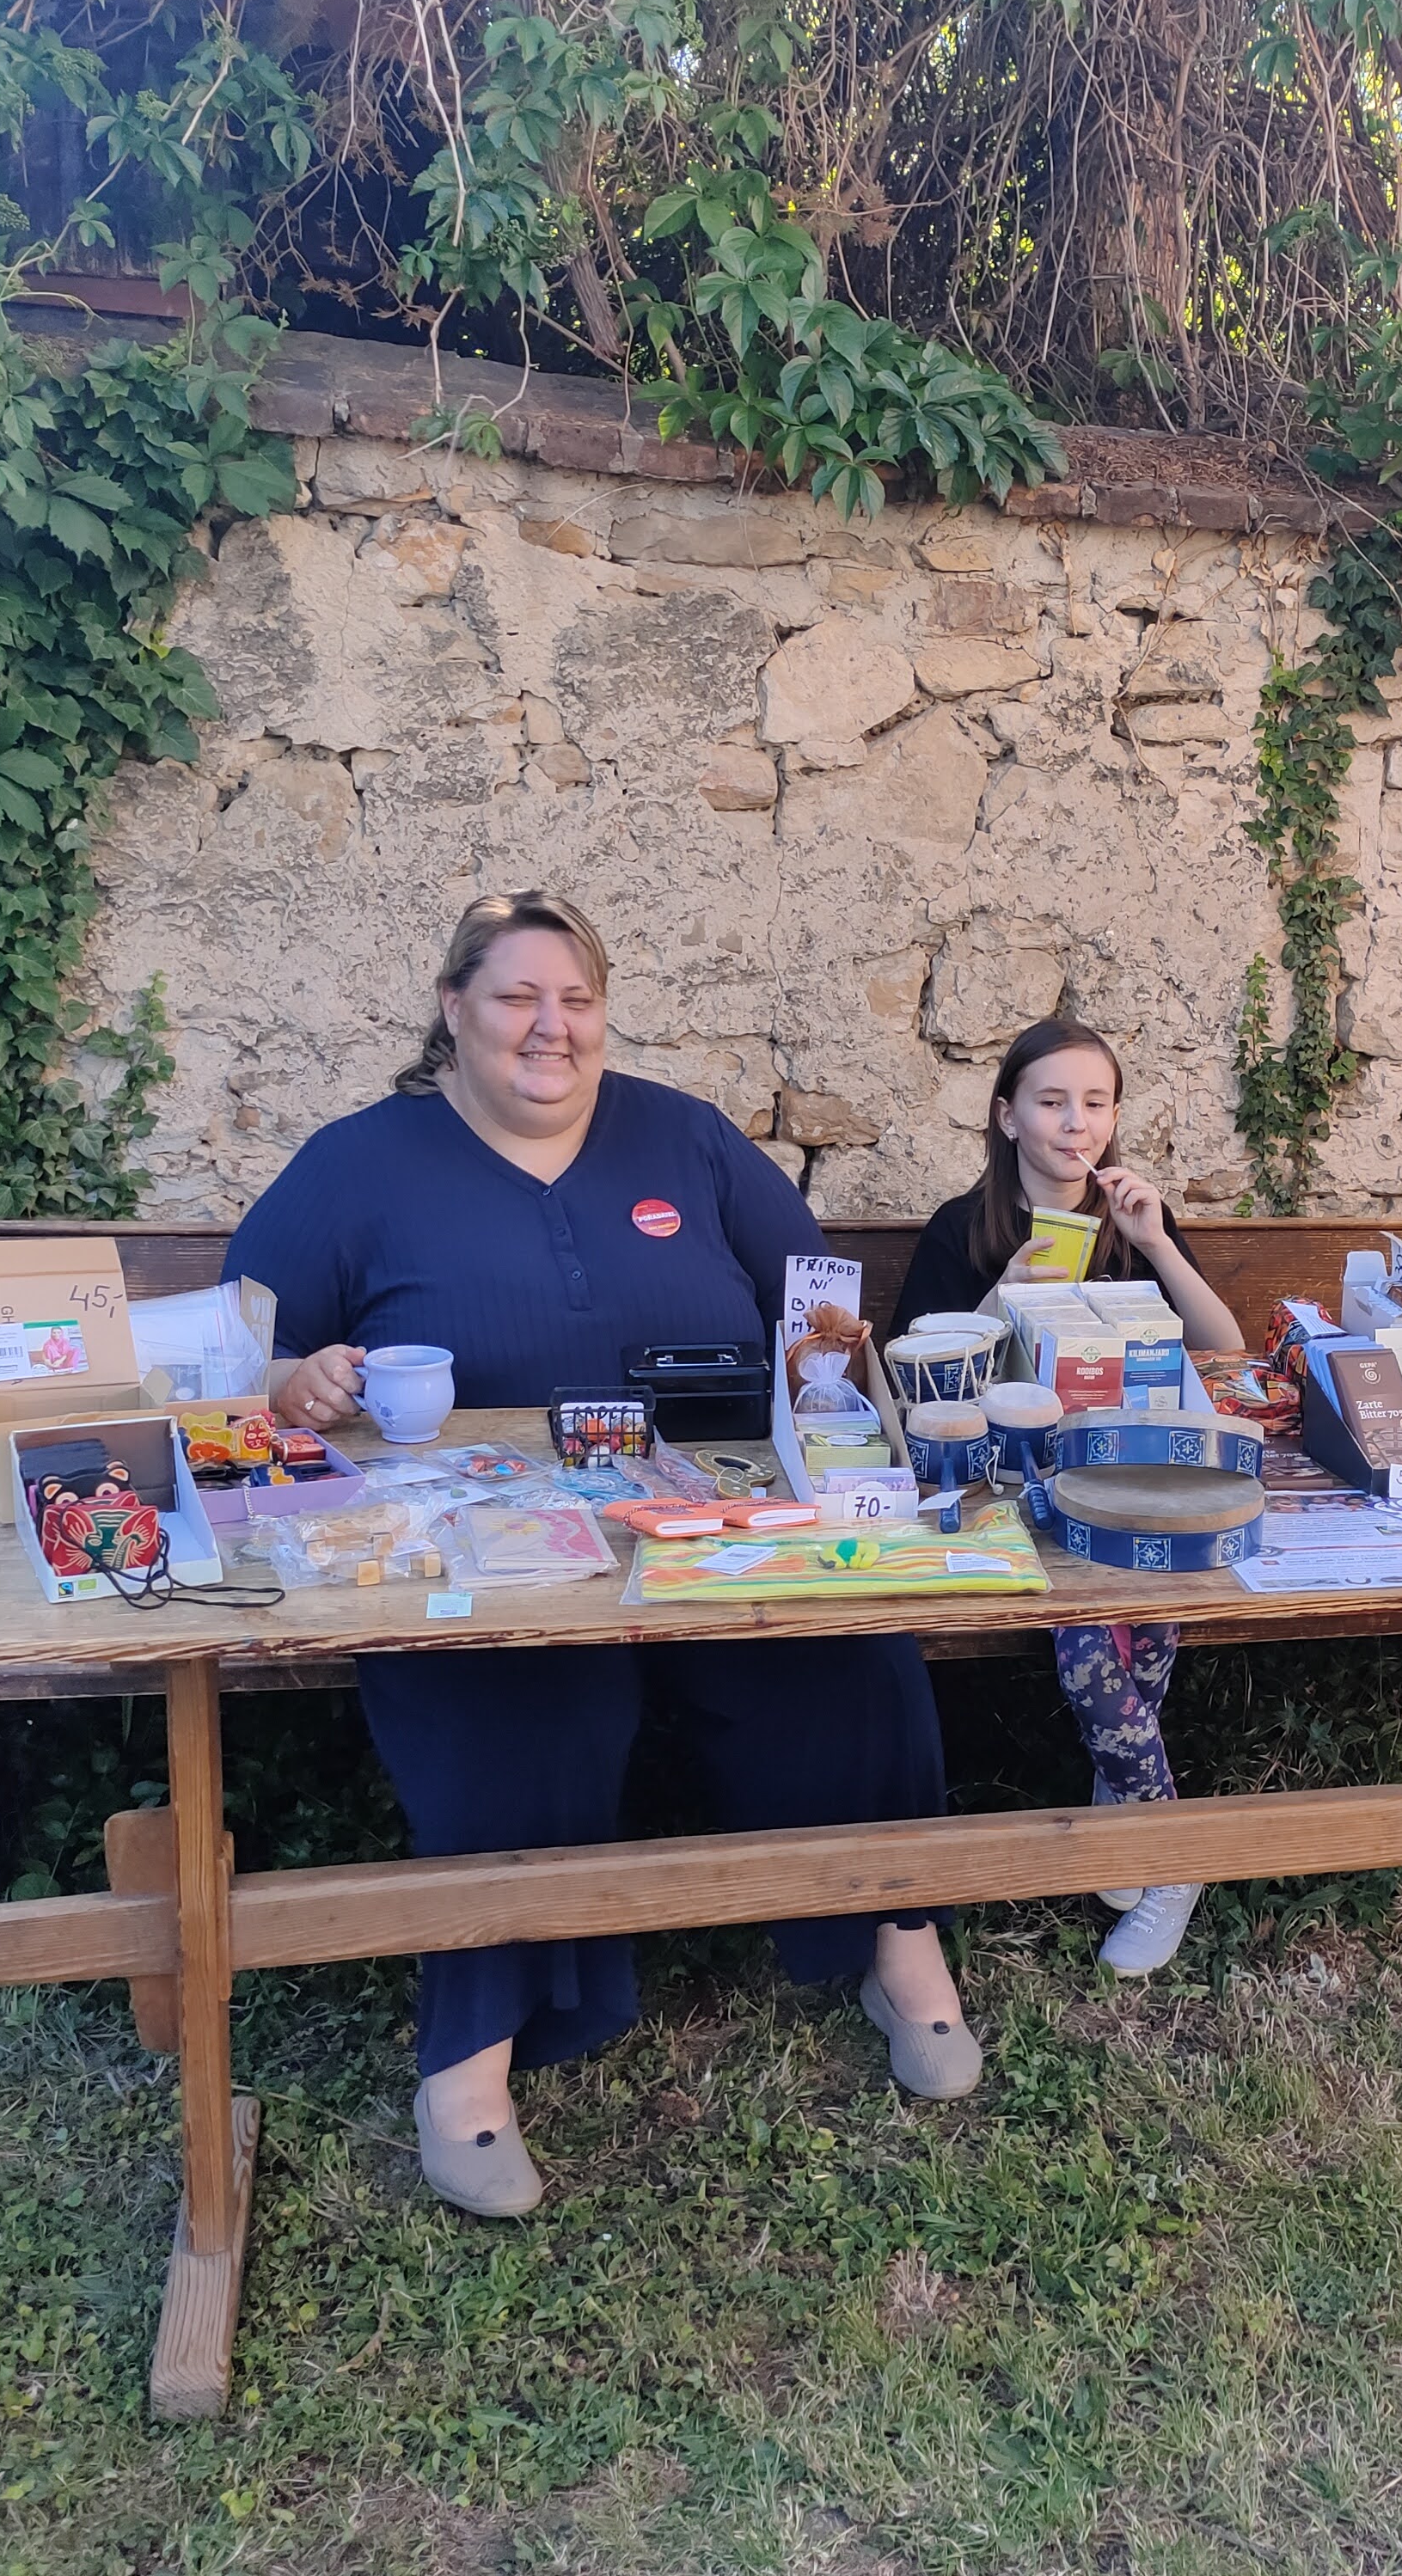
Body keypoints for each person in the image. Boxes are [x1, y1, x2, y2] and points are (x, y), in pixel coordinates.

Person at [227, 890, 980, 2222]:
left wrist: (827, 1378)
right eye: (517, 997)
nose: (550, 1027)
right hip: (486, 1545)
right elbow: (243, 1349)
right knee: (526, 1715)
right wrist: (298, 1384)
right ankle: (469, 2054)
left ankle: (898, 1943)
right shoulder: (358, 1165)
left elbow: (812, 1302)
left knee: (855, 1662)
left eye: (575, 999)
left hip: (718, 1513)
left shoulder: (684, 1137)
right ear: (454, 1008)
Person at [887, 1017, 1245, 1976]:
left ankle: (1124, 1802)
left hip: (1128, 1478)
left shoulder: (1132, 1225)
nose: (1074, 1123)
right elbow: (915, 1383)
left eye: (1094, 1103)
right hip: (1008, 1496)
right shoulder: (964, 1228)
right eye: (1051, 1102)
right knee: (1088, 1628)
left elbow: (1223, 1349)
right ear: (1008, 1116)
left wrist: (1158, 1243)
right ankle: (1169, 1856)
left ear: (1114, 1118)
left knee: (1153, 1603)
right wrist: (1001, 1294)